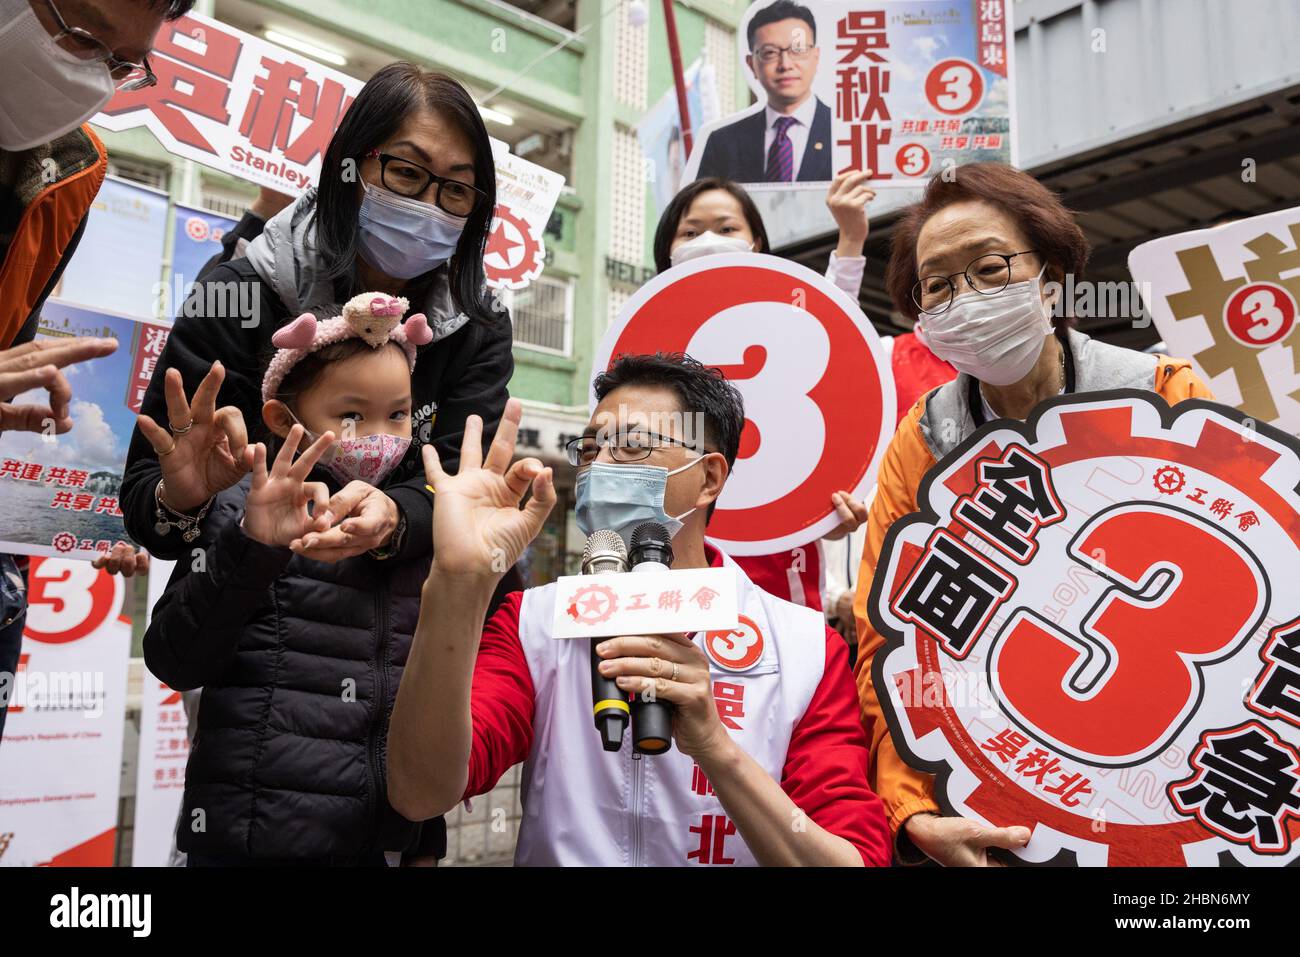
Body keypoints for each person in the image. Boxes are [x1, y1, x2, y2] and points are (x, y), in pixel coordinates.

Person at [387, 353, 892, 867]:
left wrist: (716, 749)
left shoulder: (803, 646)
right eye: (588, 449)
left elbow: (852, 856)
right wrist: (456, 583)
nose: (599, 466)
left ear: (709, 477)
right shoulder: (535, 620)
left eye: (632, 446)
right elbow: (421, 792)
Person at [851, 162, 1215, 866]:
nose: (967, 298)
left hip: (1167, 781)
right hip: (1004, 794)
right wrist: (916, 809)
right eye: (938, 284)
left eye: (990, 267)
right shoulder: (923, 444)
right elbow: (887, 643)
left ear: (1050, 274)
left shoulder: (1164, 393)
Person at [120, 63, 514, 576]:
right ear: (348, 168)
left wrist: (399, 516)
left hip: (402, 634)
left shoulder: (478, 325)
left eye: (457, 191)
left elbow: (464, 478)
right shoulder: (237, 292)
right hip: (244, 612)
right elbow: (154, 514)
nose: (429, 206)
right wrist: (182, 499)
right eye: (406, 173)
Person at [142, 294, 448, 864]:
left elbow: (420, 702)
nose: (379, 434)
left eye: (399, 414)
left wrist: (424, 837)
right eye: (351, 415)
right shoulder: (242, 508)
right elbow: (175, 659)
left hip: (377, 846)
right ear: (285, 419)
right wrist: (254, 546)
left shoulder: (410, 528)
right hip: (247, 843)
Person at [0, 0, 197, 740]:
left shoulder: (73, 170)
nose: (87, 74)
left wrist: (72, 516)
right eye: (80, 34)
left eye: (120, 62)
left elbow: (17, 360)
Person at [652, 174, 887, 618]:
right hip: (672, 561)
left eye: (726, 229)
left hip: (781, 565)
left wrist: (851, 236)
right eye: (690, 231)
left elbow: (831, 329)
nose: (707, 240)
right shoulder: (641, 338)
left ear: (756, 242)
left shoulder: (784, 330)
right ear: (668, 249)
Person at [695, 0, 830, 184]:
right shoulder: (722, 143)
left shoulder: (843, 133)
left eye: (798, 50)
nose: (785, 64)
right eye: (770, 53)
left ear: (816, 57)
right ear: (752, 65)